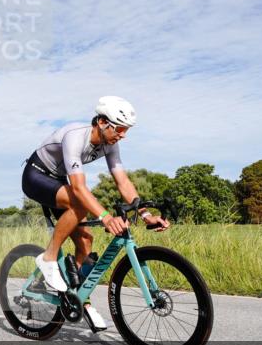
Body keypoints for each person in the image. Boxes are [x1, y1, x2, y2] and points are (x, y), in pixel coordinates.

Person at [21, 96, 170, 329]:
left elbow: (122, 181)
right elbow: (79, 188)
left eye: (126, 130)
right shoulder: (75, 137)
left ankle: (80, 299)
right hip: (37, 176)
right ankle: (48, 258)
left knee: (86, 241)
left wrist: (145, 214)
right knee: (80, 203)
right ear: (102, 122)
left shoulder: (111, 145)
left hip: (59, 181)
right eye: (120, 128)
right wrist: (105, 217)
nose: (123, 135)